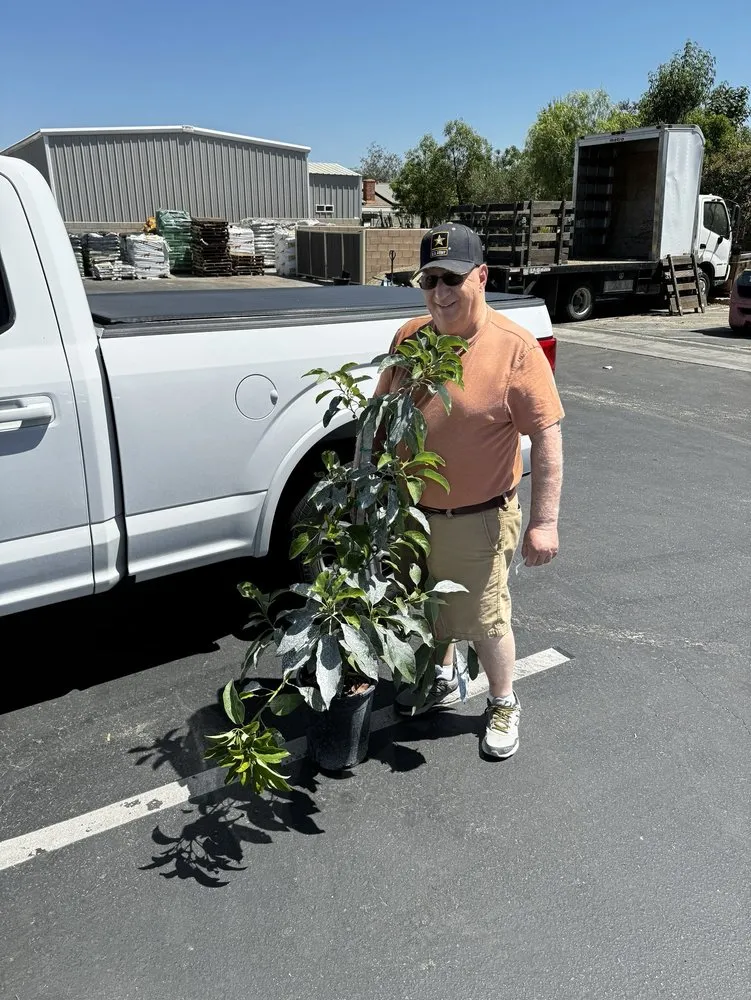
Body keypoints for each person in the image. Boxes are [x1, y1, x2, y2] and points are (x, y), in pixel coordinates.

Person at [374, 223, 564, 759]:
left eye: (452, 279)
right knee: (428, 608)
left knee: (484, 617)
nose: (440, 293)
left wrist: (544, 522)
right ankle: (442, 675)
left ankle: (502, 701)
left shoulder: (513, 349)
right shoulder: (411, 339)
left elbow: (547, 439)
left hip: (477, 515)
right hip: (411, 513)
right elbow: (381, 418)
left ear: (481, 276)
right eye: (430, 280)